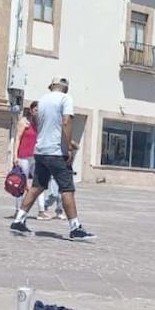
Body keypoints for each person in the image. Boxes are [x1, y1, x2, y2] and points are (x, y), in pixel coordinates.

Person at [9, 77, 96, 241]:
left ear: (51, 86)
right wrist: (68, 146)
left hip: (40, 150)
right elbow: (66, 122)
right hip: (56, 151)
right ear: (66, 88)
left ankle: (18, 220)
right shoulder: (65, 99)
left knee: (37, 186)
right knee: (67, 188)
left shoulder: (42, 100)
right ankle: (75, 228)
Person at [15, 102, 38, 211]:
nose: (37, 112)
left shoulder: (38, 124)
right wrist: (15, 155)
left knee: (39, 182)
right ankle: (18, 208)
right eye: (36, 110)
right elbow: (18, 138)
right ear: (31, 110)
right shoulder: (24, 122)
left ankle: (42, 211)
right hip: (23, 156)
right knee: (21, 183)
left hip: (34, 156)